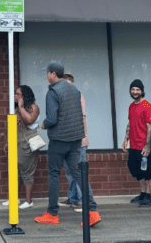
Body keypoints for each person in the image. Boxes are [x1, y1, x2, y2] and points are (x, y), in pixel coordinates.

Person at [34, 62, 101, 227]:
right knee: (79, 174)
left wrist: (43, 125)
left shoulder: (53, 91)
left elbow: (52, 119)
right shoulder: (74, 89)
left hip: (59, 140)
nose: (46, 76)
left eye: (47, 73)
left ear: (53, 74)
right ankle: (92, 212)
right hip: (75, 140)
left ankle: (52, 213)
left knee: (54, 175)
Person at [58, 73, 93, 212]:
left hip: (78, 141)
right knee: (69, 172)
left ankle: (82, 201)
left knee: (78, 172)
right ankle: (73, 198)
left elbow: (80, 119)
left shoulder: (78, 97)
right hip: (66, 141)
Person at [3, 85, 40, 209]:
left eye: (18, 94)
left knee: (26, 172)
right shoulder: (14, 109)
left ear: (24, 96)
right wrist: (7, 141)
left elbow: (29, 120)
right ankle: (14, 198)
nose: (15, 96)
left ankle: (29, 201)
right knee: (14, 171)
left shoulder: (33, 107)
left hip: (27, 144)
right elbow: (11, 126)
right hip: (16, 143)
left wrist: (21, 106)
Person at [121, 79, 151, 207]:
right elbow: (130, 124)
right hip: (133, 145)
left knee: (146, 171)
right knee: (134, 168)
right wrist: (125, 140)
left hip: (143, 147)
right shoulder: (132, 106)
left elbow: (150, 127)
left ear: (142, 91)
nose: (135, 92)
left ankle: (148, 196)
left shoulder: (147, 106)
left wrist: (147, 146)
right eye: (133, 89)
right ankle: (142, 193)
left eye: (138, 90)